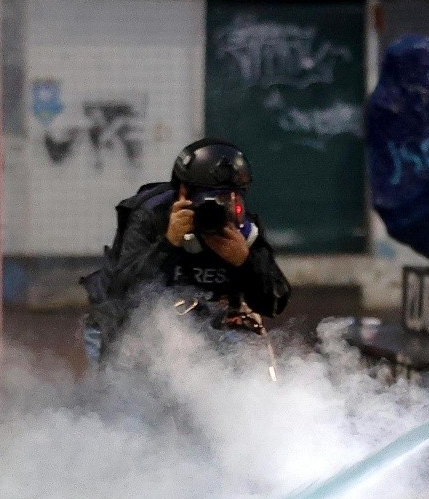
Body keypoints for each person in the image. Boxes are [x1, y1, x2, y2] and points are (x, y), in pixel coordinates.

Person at [82, 138, 291, 362]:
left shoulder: (243, 232)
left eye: (232, 198)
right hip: (130, 330)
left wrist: (245, 263)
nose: (222, 208)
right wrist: (168, 245)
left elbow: (274, 302)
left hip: (205, 331)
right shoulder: (152, 217)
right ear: (183, 193)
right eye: (212, 198)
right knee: (128, 388)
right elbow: (121, 291)